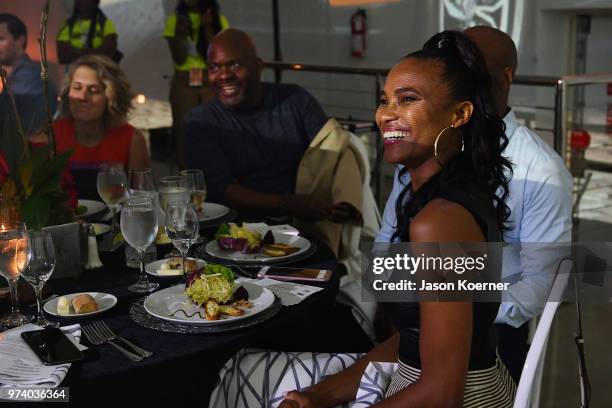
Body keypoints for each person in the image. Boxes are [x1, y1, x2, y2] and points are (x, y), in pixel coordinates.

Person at [210, 30, 516, 407]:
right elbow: (413, 339)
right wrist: (316, 396)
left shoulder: (440, 221)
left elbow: (442, 393)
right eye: (385, 100)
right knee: (243, 369)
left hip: (461, 398)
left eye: (408, 100)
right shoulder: (437, 197)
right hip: (418, 380)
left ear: (460, 114)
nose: (385, 115)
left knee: (234, 375)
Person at [377, 25, 573, 383]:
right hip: (409, 320)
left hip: (491, 338)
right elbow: (387, 241)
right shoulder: (421, 151)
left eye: (468, 67)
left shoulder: (540, 168)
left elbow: (541, 283)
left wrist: (459, 309)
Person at [184, 28, 343, 221]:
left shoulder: (295, 100)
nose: (223, 75)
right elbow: (219, 190)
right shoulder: (201, 121)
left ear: (258, 66)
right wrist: (288, 204)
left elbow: (334, 155)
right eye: (214, 67)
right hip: (236, 233)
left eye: (234, 64)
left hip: (305, 226)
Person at [31, 55, 148, 200]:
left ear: (111, 97)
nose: (82, 97)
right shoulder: (49, 136)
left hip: (115, 221)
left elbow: (141, 200)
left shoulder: (132, 140)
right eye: (77, 87)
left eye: (93, 90)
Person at [164, 0, 229, 168]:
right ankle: (187, 181)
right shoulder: (174, 20)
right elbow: (179, 58)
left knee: (213, 130)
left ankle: (214, 179)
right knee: (183, 132)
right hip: (183, 80)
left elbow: (216, 56)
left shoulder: (218, 19)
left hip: (211, 80)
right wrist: (180, 32)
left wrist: (207, 27)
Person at [0, 13, 58, 137]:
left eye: (0, 39)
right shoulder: (19, 75)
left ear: (20, 41)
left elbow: (26, 129)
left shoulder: (29, 75)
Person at [56, 0, 120, 65]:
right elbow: (63, 56)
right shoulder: (67, 26)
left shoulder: (105, 23)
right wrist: (95, 52)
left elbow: (109, 52)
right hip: (75, 72)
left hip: (100, 72)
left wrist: (76, 52)